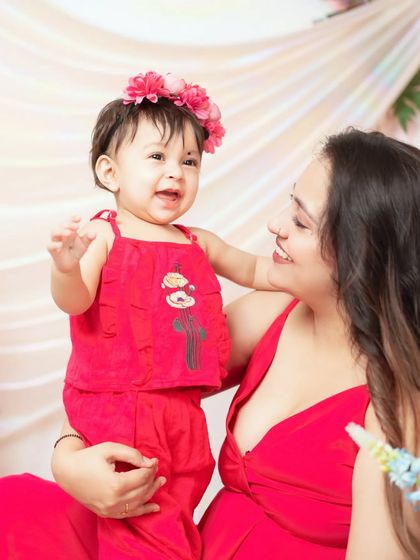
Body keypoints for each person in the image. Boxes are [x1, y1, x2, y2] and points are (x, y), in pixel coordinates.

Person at [1, 128, 420, 559]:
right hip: (192, 549)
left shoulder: (396, 411)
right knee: (16, 510)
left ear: (362, 253)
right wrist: (68, 460)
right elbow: (128, 385)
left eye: (299, 220)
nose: (274, 225)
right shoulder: (273, 315)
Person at [42, 70, 275, 560]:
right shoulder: (106, 234)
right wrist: (66, 266)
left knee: (178, 505)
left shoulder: (197, 241)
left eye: (189, 161)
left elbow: (254, 268)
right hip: (121, 407)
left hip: (182, 413)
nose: (176, 172)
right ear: (110, 174)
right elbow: (75, 299)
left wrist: (309, 269)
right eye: (156, 157)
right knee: (147, 523)